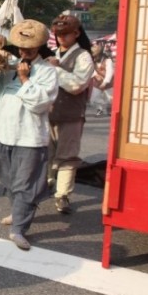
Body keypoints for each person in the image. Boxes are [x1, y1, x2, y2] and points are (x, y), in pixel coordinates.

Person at [0, 19, 58, 250]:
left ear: (39, 48)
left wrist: (25, 79)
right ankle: (17, 212)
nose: (25, 51)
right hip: (4, 131)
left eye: (30, 48)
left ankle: (19, 229)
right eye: (22, 47)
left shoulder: (48, 71)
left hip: (29, 135)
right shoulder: (10, 64)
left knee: (26, 183)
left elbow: (41, 103)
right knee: (7, 178)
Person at [47, 14, 95, 214]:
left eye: (65, 34)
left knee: (67, 157)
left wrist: (56, 70)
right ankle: (47, 184)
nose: (61, 38)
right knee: (45, 153)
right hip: (47, 113)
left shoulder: (83, 56)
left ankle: (62, 195)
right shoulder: (52, 54)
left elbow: (76, 85)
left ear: (76, 33)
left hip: (71, 115)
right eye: (58, 34)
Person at [90, 43, 114, 117]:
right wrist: (95, 75)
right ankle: (100, 108)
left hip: (108, 83)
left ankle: (109, 108)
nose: (94, 56)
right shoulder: (92, 60)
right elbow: (90, 69)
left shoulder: (108, 60)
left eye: (95, 55)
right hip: (97, 82)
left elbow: (110, 72)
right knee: (93, 99)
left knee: (109, 99)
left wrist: (105, 82)